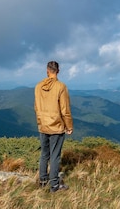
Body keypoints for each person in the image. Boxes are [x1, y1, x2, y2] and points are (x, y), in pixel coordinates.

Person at [34, 60, 74, 192]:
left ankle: (43, 181)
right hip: (56, 126)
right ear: (58, 71)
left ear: (47, 71)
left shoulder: (38, 86)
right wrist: (69, 126)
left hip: (43, 125)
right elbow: (65, 110)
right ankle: (54, 186)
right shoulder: (61, 87)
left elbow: (36, 107)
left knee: (44, 154)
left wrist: (41, 121)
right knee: (55, 156)